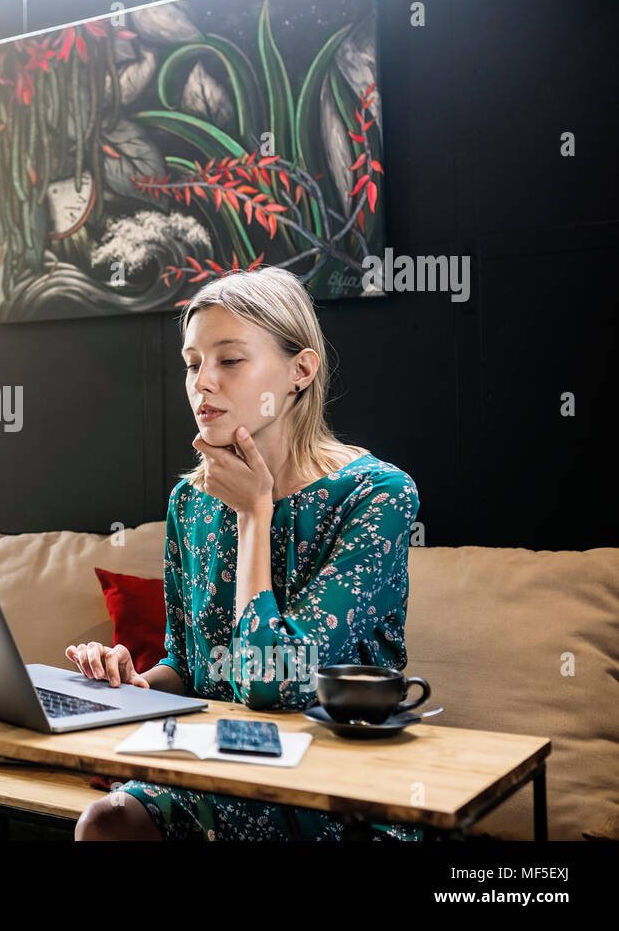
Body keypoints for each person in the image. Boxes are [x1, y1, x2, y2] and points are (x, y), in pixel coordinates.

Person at [70, 266, 421, 841]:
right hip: (217, 764)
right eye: (192, 363)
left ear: (299, 371)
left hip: (335, 777)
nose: (202, 382)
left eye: (229, 360)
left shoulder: (376, 495)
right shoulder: (191, 500)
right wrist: (132, 684)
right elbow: (188, 668)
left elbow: (273, 681)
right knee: (106, 821)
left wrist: (255, 513)